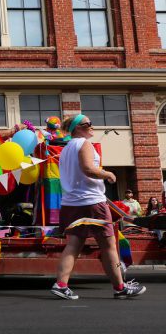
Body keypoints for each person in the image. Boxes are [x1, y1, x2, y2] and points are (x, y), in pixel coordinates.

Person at [51, 114, 145, 300]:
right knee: (109, 244)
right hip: (92, 202)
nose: (92, 126)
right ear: (78, 128)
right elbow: (88, 169)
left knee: (74, 244)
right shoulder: (84, 144)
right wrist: (107, 174)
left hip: (71, 203)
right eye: (89, 124)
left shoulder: (67, 148)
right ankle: (120, 287)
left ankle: (61, 284)